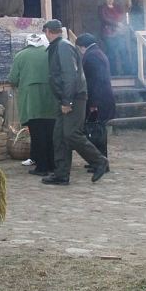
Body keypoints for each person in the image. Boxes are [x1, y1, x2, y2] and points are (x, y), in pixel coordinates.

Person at [41, 20, 109, 185]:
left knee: (71, 134)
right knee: (59, 136)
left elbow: (69, 75)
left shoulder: (63, 46)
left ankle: (99, 161)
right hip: (66, 97)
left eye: (45, 33)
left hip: (73, 97)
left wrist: (67, 101)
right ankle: (61, 174)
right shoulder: (60, 46)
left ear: (49, 31)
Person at [8, 33, 57, 176]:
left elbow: (13, 78)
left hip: (31, 100)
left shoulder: (21, 56)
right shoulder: (50, 52)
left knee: (37, 134)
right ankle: (52, 165)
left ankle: (41, 167)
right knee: (50, 133)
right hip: (51, 99)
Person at [75, 33, 117, 159]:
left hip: (99, 99)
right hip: (102, 97)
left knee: (96, 131)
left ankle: (100, 160)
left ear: (83, 46)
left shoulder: (92, 56)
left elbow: (95, 81)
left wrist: (94, 103)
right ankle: (98, 160)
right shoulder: (97, 53)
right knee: (98, 131)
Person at [98, 0, 132, 76]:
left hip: (119, 33)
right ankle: (113, 72)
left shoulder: (117, 7)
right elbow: (104, 18)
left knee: (123, 51)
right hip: (109, 33)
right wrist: (116, 23)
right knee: (111, 53)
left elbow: (123, 16)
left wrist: (121, 24)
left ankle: (127, 72)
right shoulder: (102, 8)